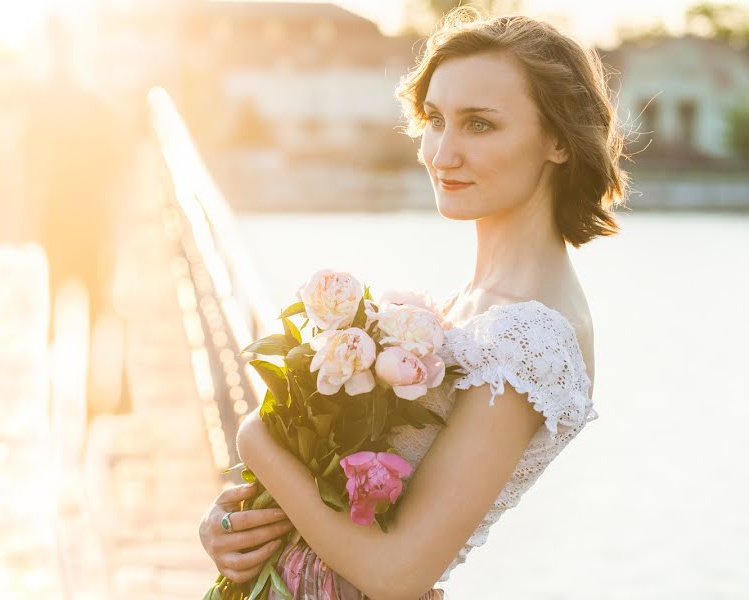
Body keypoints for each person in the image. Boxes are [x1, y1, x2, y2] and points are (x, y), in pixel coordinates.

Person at [199, 8, 629, 598]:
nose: (441, 153)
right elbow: (352, 503)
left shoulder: (534, 335)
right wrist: (237, 526)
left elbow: (396, 574)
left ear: (557, 139)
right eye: (435, 120)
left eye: (479, 125)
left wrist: (256, 441)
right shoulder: (470, 303)